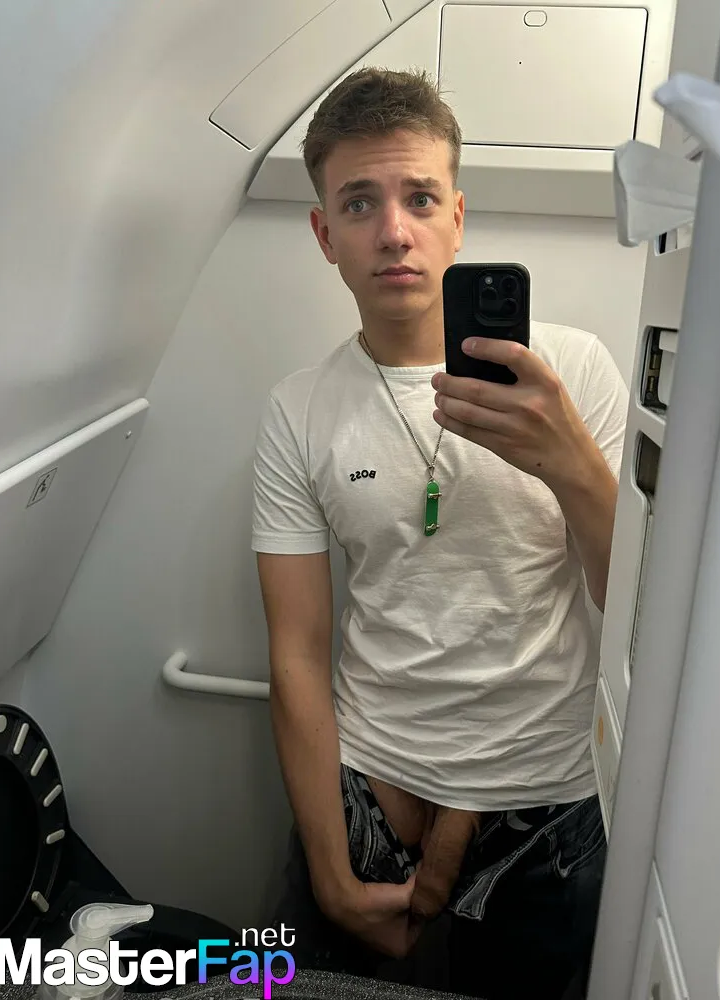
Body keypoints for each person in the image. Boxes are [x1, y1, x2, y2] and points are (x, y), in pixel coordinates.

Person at [252, 66, 628, 1000]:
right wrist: (329, 868)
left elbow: (632, 604)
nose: (394, 231)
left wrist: (571, 462)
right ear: (325, 235)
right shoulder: (299, 408)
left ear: (457, 218)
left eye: (420, 198)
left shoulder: (573, 369)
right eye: (360, 203)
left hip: (547, 803)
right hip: (372, 785)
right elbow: (294, 653)